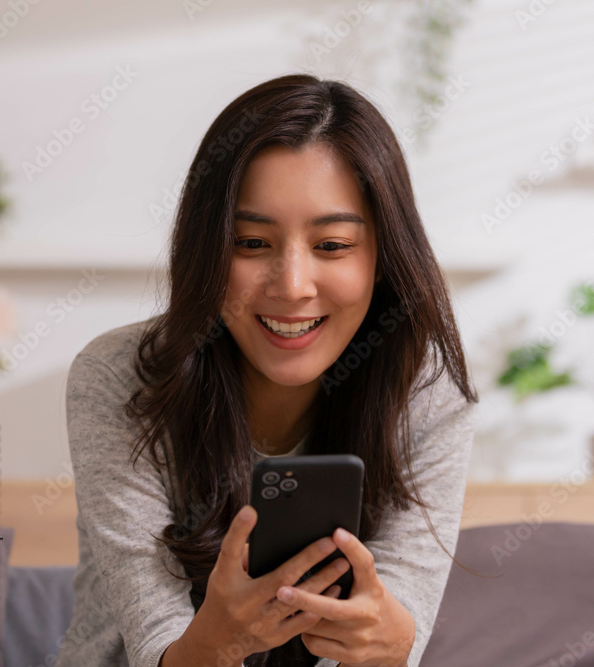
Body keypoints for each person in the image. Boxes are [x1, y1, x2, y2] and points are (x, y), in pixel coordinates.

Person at [54, 74, 479, 667]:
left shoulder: (426, 390)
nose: (292, 286)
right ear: (206, 249)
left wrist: (386, 646)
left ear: (383, 257)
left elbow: (398, 629)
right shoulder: (122, 376)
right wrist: (218, 640)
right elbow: (156, 640)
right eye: (252, 243)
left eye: (332, 245)